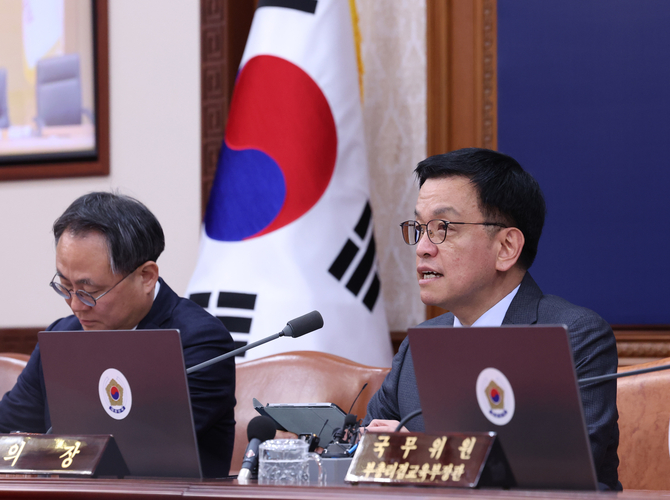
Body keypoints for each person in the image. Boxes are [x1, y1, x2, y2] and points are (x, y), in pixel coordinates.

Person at [363, 148, 620, 490]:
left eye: (443, 228)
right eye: (419, 227)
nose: (423, 247)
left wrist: (423, 455)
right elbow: (365, 450)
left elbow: (558, 470)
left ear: (506, 248)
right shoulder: (419, 345)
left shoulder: (573, 335)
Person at [0, 192, 236, 478]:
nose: (75, 306)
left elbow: (143, 450)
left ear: (146, 276)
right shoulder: (62, 336)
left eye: (90, 292)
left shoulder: (199, 341)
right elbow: (6, 432)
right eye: (65, 287)